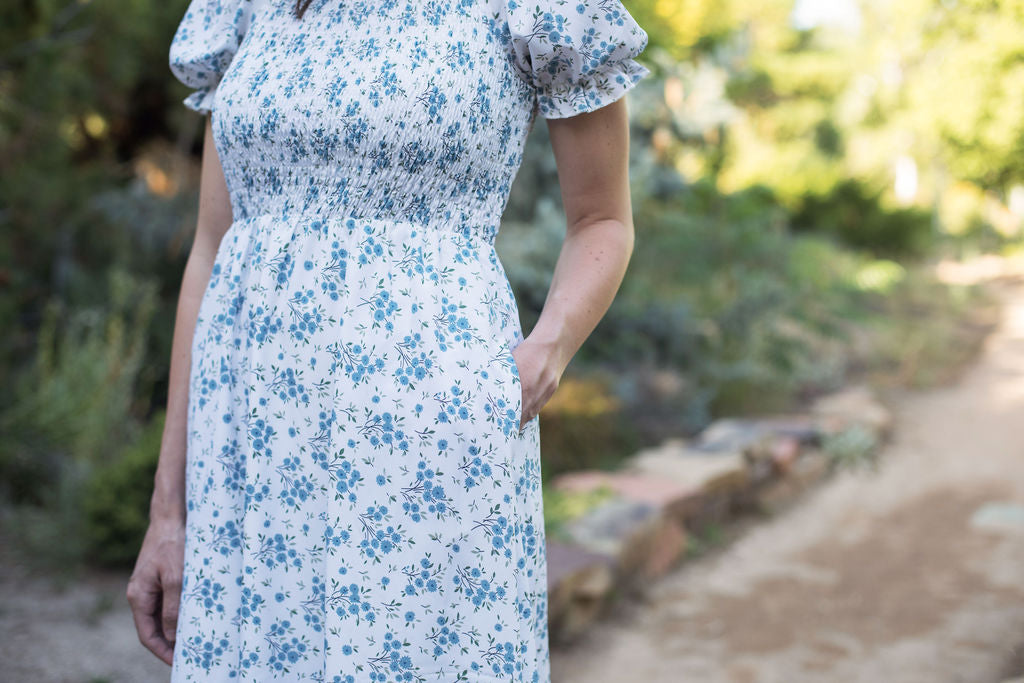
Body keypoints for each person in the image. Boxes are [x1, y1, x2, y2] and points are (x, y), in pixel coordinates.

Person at [126, 0, 650, 679]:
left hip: (429, 435)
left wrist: (545, 350)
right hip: (252, 456)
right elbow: (212, 247)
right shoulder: (244, 8)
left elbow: (603, 218)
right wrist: (168, 509)